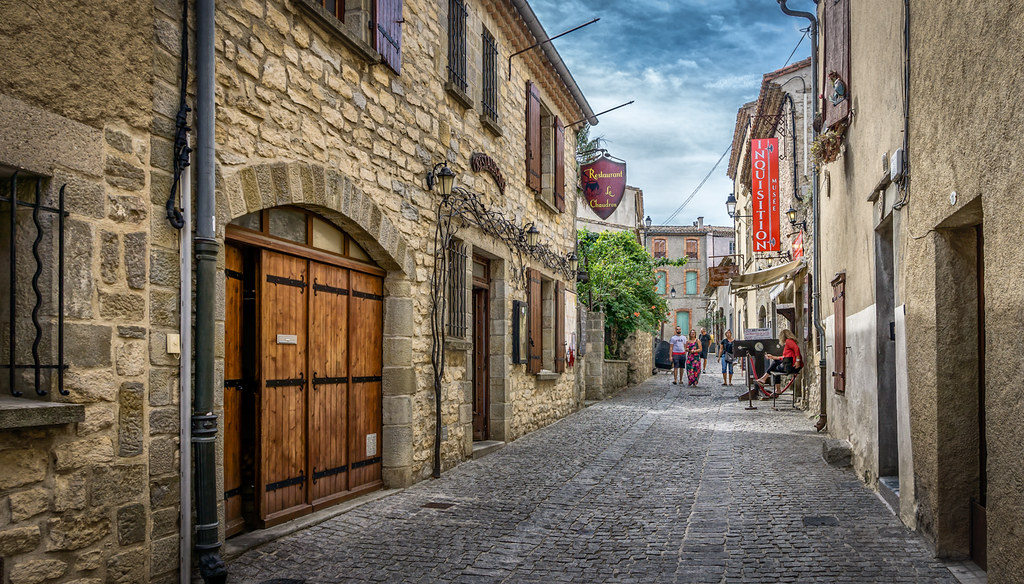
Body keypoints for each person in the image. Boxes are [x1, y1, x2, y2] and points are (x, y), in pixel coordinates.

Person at [755, 329, 803, 396]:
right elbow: (784, 358)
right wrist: (773, 357)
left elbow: (797, 349)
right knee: (775, 364)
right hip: (789, 364)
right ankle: (771, 384)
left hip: (792, 366)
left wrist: (798, 361)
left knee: (774, 367)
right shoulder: (789, 343)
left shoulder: (789, 341)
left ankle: (766, 380)